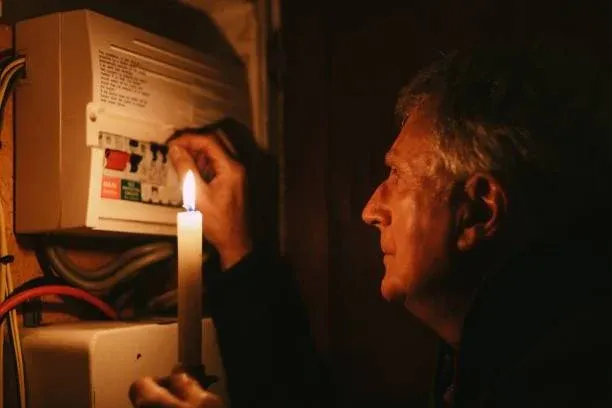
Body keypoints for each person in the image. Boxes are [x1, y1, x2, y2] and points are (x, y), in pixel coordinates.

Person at [129, 42, 612, 408]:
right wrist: (239, 250)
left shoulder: (569, 376)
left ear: (480, 211)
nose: (370, 208)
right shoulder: (492, 358)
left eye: (397, 175)